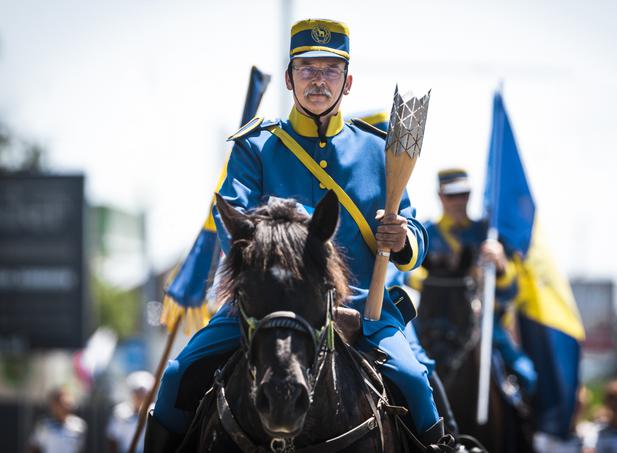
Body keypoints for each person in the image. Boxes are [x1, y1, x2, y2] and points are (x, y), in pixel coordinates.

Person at [148, 18, 453, 451]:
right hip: (264, 305)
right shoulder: (255, 145)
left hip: (363, 307)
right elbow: (230, 222)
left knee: (415, 383)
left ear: (347, 83)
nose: (318, 80)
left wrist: (401, 239)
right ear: (290, 78)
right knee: (178, 377)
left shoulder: (378, 149)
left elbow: (415, 233)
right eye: (307, 69)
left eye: (331, 70)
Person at [415, 168, 537, 396]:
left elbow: (510, 290)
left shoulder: (487, 233)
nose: (459, 201)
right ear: (440, 196)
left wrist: (501, 265)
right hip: (430, 320)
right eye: (452, 195)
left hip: (482, 322)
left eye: (464, 194)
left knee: (526, 376)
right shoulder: (424, 233)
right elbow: (405, 276)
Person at [27, 387, 87, 453]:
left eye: (68, 403)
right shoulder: (44, 426)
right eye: (62, 403)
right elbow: (34, 448)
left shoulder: (79, 425)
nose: (66, 407)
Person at [106, 371, 154, 453]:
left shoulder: (155, 413)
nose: (140, 397)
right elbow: (113, 438)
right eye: (137, 393)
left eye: (143, 393)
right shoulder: (121, 412)